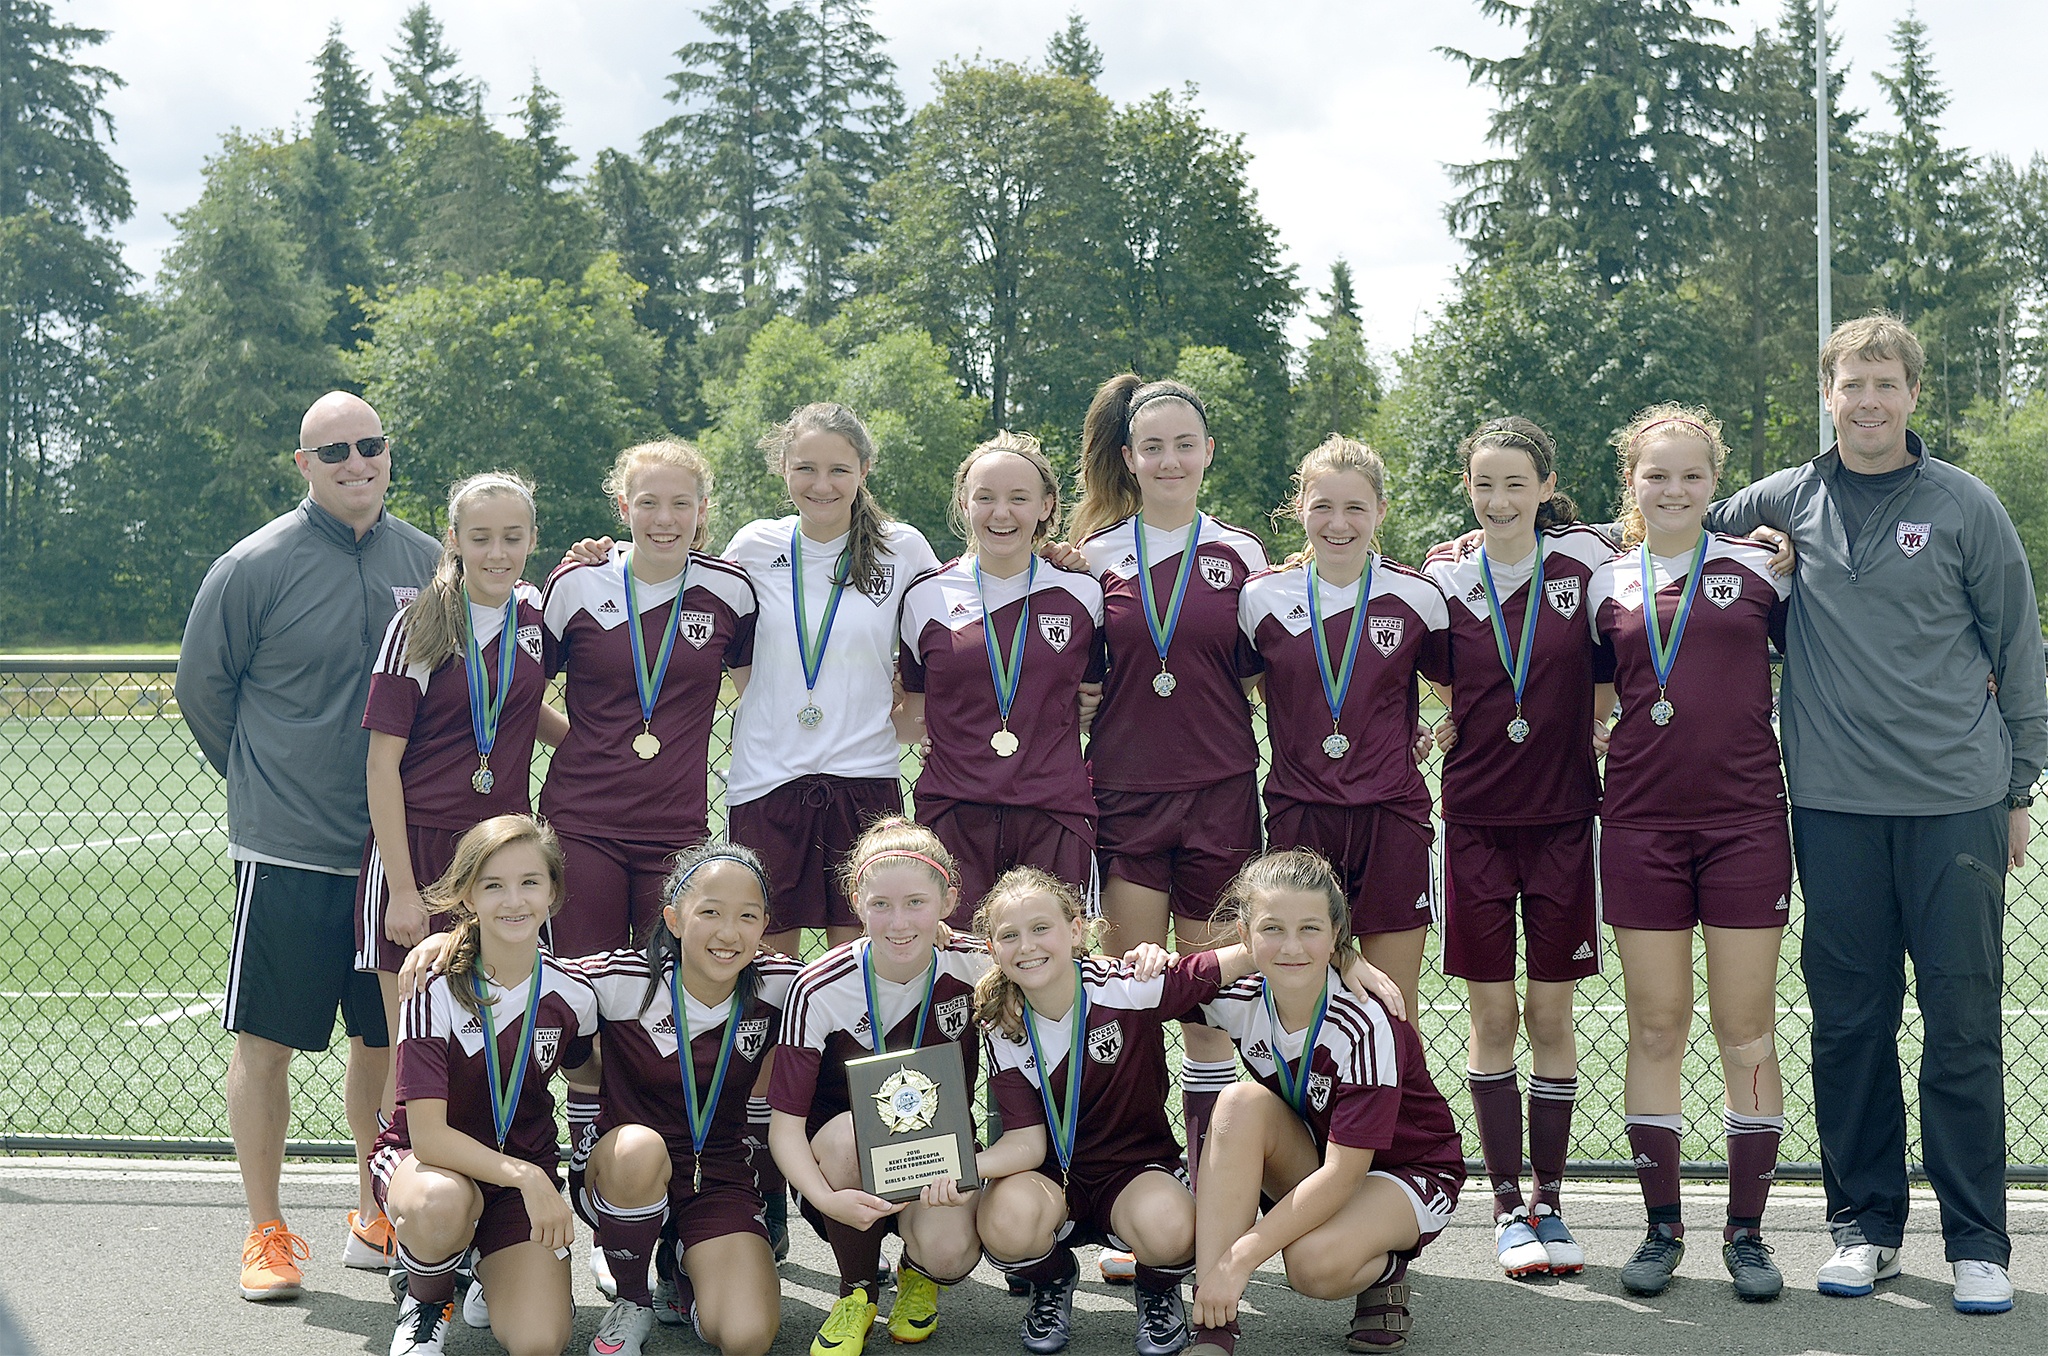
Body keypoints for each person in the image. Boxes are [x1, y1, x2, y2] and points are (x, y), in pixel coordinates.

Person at [1706, 314, 2046, 1314]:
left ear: (1910, 395)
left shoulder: (1963, 506)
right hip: (1832, 809)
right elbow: (1667, 519)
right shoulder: (1778, 498)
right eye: (1849, 382)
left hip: (1954, 807)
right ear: (1826, 393)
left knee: (1959, 1025)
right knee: (1849, 1025)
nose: (1865, 399)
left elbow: (2018, 651)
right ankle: (1863, 1227)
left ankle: (1977, 1241)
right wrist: (1535, 530)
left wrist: (2018, 786)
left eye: (1884, 383)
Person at [177, 390, 441, 1299]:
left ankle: (375, 1207)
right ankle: (265, 1230)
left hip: (398, 860)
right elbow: (204, 692)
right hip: (290, 852)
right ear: (304, 464)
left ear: (388, 451)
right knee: (267, 1043)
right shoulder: (254, 564)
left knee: (387, 1042)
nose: (356, 462)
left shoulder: (430, 561)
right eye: (335, 451)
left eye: (370, 445)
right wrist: (265, 784)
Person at [972, 866, 1403, 1356]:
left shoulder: (1128, 986)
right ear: (992, 948)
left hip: (1134, 1173)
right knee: (1004, 1218)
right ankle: (1053, 1282)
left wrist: (1342, 954)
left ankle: (1157, 1290)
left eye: (1041, 929)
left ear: (1076, 929)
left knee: (1174, 1227)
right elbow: (1025, 1143)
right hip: (1053, 1176)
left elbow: (1241, 955)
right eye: (1010, 935)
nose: (1027, 946)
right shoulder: (1001, 1018)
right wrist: (956, 1170)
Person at [1587, 405, 1794, 1301]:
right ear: (1631, 483)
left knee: (1746, 1027)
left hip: (1747, 823)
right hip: (1640, 826)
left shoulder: (1765, 572)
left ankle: (1747, 1233)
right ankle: (1661, 1226)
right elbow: (1595, 699)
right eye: (1656, 475)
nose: (1674, 490)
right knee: (1658, 1025)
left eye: (1692, 475)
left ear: (1716, 482)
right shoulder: (1603, 584)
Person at [1064, 375, 1270, 1228]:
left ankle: (1214, 1189)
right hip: (1125, 799)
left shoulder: (1245, 555)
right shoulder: (1090, 561)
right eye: (1153, 446)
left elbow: (1267, 677)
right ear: (1130, 457)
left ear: (1207, 452)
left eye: (1186, 443)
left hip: (1220, 794)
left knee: (1213, 1001)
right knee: (1134, 993)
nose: (1170, 459)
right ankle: (1139, 1185)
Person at [1420, 418, 1614, 1280]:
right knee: (1492, 1019)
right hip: (1475, 826)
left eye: (1515, 486)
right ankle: (1504, 1205)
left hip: (1568, 822)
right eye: (1483, 486)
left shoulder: (1588, 568)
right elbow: (1435, 680)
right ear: (1467, 488)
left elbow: (1614, 658)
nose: (1499, 503)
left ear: (1545, 486)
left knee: (1551, 1017)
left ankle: (1553, 1200)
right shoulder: (1442, 582)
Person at [1185, 849, 1465, 1356]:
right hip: (1320, 1156)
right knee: (1239, 1102)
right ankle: (1213, 1328)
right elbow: (1162, 990)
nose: (1291, 947)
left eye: (1310, 929)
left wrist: (1243, 1257)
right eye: (1272, 929)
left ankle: (1385, 1266)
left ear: (1337, 937)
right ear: (1245, 938)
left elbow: (1343, 1176)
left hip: (1405, 1171)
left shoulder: (1365, 1021)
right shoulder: (1242, 997)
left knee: (1311, 1265)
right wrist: (1147, 960)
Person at [360, 472, 564, 1134]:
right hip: (416, 853)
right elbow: (381, 765)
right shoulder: (418, 625)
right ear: (454, 540)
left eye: (512, 537)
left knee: (495, 1042)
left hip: (497, 861)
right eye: (481, 538)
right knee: (412, 1048)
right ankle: (381, 1217)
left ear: (532, 539)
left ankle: (480, 1209)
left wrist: (598, 746)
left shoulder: (534, 618)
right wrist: (401, 891)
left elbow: (523, 709)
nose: (497, 553)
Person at [1236, 436, 1448, 1017]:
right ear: (1300, 506)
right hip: (1299, 817)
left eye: (1355, 508)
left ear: (1380, 511)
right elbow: (1232, 695)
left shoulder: (1418, 597)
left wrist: (1436, 729)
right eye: (1323, 506)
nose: (1338, 523)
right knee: (1301, 1008)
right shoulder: (1261, 598)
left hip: (1392, 818)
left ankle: (1394, 1108)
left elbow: (1459, 693)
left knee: (1392, 1005)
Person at [723, 404, 943, 957]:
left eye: (839, 469)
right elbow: (701, 617)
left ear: (865, 469)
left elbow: (954, 628)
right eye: (806, 468)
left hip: (863, 778)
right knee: (765, 966)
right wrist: (610, 554)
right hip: (765, 780)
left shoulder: (904, 548)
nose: (822, 485)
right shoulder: (753, 546)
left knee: (865, 961)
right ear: (783, 469)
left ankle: (853, 1052)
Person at [372, 814, 597, 1356]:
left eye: (529, 882)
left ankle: (483, 1268)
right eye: (492, 885)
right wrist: (530, 1178)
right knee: (439, 1204)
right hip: (429, 1166)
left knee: (541, 1341)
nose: (513, 900)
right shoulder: (433, 986)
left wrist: (582, 1168)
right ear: (467, 897)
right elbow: (428, 1136)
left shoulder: (576, 993)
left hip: (518, 1178)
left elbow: (589, 1078)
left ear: (553, 893)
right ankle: (426, 1302)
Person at [766, 818, 990, 1356]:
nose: (899, 922)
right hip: (842, 1160)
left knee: (949, 1251)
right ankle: (857, 1289)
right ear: (855, 900)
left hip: (934, 1150)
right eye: (881, 904)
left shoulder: (979, 963)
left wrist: (1147, 959)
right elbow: (786, 1127)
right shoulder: (818, 985)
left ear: (948, 899)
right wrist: (823, 1198)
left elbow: (1063, 971)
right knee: (847, 1133)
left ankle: (918, 1273)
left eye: (916, 902)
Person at [574, 842, 797, 1356]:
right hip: (624, 1168)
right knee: (638, 1148)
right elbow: (524, 969)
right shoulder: (620, 980)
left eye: (747, 916)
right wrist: (452, 945)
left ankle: (682, 1262)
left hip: (718, 1175)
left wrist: (935, 938)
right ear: (674, 919)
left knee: (746, 1337)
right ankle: (632, 1300)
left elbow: (866, 971)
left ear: (764, 926)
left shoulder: (785, 985)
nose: (728, 932)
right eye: (710, 913)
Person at [538, 439, 757, 958]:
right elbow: (520, 696)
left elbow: (755, 697)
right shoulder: (576, 583)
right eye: (648, 503)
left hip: (676, 828)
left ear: (702, 510)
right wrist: (579, 741)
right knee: (582, 984)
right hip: (581, 823)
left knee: (661, 986)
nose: (665, 518)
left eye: (681, 503)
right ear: (623, 507)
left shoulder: (731, 591)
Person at [897, 433, 1105, 915]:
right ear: (964, 503)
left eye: (1019, 498)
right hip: (954, 812)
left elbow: (1090, 696)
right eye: (985, 498)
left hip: (1053, 810)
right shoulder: (924, 596)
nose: (1001, 513)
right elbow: (915, 710)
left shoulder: (1082, 593)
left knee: (1049, 964)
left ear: (1046, 505)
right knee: (961, 969)